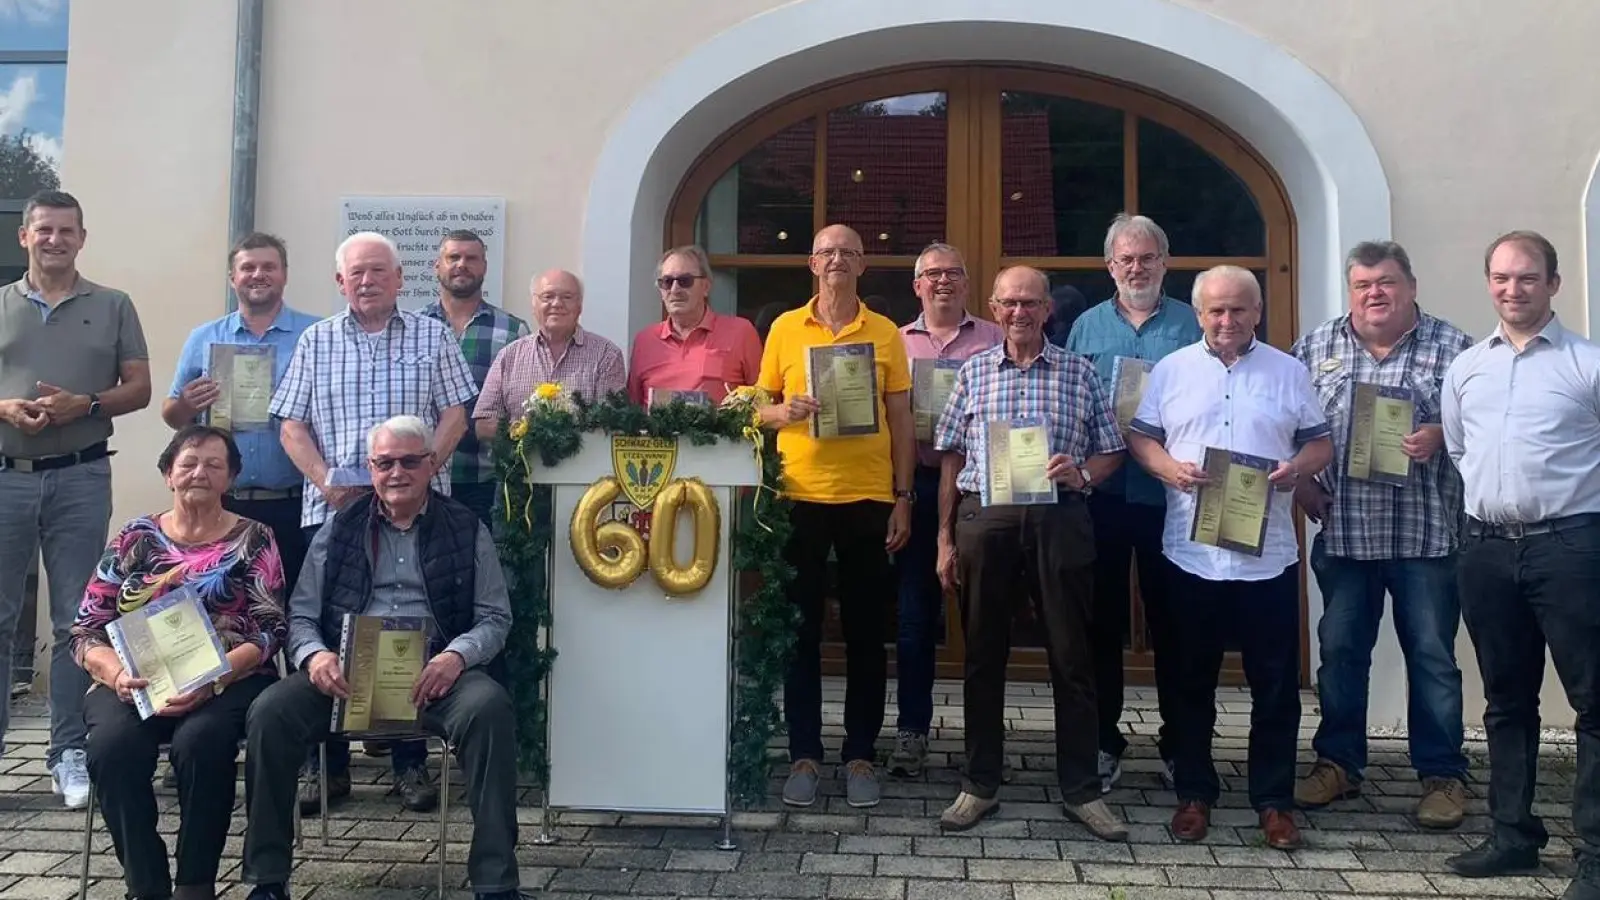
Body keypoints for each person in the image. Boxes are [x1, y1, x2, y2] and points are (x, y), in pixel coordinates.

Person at [241, 416, 521, 900]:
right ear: (369, 469)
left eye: (409, 461)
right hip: (347, 676)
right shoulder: (338, 528)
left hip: (437, 676)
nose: (397, 472)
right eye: (384, 463)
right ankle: (267, 880)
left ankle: (496, 883)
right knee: (270, 712)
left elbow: (495, 617)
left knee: (489, 709)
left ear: (431, 465)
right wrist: (315, 658)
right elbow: (301, 616)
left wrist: (455, 657)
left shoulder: (465, 527)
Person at [269, 230, 477, 814]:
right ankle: (326, 768)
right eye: (356, 273)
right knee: (329, 630)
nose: (367, 281)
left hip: (415, 510)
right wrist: (324, 480)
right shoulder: (315, 341)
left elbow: (458, 412)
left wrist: (425, 465)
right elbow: (290, 424)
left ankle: (409, 763)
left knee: (407, 620)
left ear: (399, 278)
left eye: (378, 271)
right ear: (340, 282)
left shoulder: (433, 336)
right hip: (333, 511)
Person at [1127, 265, 1332, 850]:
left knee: (1274, 686)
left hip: (1267, 557)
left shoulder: (1289, 372)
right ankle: (1194, 793)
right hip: (1190, 553)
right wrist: (1168, 467)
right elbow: (1142, 437)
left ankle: (1273, 802)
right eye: (1216, 310)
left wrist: (1300, 468)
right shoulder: (1172, 370)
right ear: (1198, 315)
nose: (1227, 320)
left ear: (1257, 311)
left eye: (1238, 309)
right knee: (1190, 681)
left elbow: (1320, 442)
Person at [931, 266, 1128, 840]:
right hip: (984, 521)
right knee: (982, 656)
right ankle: (979, 784)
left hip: (1058, 520)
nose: (1020, 312)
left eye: (1031, 303)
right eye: (1010, 303)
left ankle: (1081, 790)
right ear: (994, 308)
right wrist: (944, 539)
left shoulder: (1078, 372)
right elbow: (948, 458)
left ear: (1048, 311)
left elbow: (1112, 450)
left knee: (1072, 656)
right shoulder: (971, 372)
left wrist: (1082, 473)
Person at [1290, 240, 1474, 829]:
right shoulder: (1315, 347)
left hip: (1428, 534)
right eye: (1364, 283)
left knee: (1433, 658)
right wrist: (1301, 488)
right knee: (1341, 655)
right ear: (1351, 290)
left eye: (1387, 282)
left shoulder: (1456, 348)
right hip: (1344, 535)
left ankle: (1443, 776)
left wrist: (1441, 434)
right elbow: (1285, 428)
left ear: (1411, 286)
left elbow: (1489, 423)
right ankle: (1338, 764)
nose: (1376, 293)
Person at [1441, 231, 1600, 900]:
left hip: (1569, 547)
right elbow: (1457, 450)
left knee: (1594, 701)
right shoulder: (1467, 369)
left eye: (1528, 278)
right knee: (1506, 699)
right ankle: (1512, 834)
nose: (1513, 289)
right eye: (1502, 278)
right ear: (1489, 284)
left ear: (1553, 284)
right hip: (1484, 548)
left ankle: (1594, 853)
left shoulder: (1587, 366)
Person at [73, 425, 287, 900]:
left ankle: (195, 884)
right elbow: (87, 628)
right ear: (169, 474)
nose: (200, 473)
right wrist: (118, 675)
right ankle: (145, 885)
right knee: (111, 748)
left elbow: (272, 630)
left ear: (230, 478)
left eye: (214, 465)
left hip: (229, 679)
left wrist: (212, 679)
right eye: (188, 462)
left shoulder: (254, 538)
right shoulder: (134, 537)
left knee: (201, 742)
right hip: (135, 680)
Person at [0, 189, 151, 808]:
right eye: (44, 230)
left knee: (75, 620)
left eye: (67, 231)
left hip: (82, 475)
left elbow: (139, 388)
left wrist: (84, 404)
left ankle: (66, 753)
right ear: (24, 237)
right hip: (6, 474)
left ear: (82, 238)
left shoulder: (113, 304)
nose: (55, 240)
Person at [757, 224, 913, 809]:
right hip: (798, 495)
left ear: (863, 265)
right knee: (799, 634)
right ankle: (803, 752)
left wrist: (904, 496)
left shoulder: (886, 333)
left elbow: (900, 419)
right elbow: (758, 406)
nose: (838, 260)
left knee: (867, 636)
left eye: (849, 252)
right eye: (828, 252)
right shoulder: (782, 328)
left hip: (869, 497)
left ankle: (860, 755)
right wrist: (783, 409)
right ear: (811, 263)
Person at [1065, 213, 1201, 792]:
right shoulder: (1086, 329)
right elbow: (1069, 407)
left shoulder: (1195, 325)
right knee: (1099, 626)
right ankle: (1103, 741)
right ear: (1110, 266)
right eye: (1126, 259)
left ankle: (1180, 744)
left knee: (1177, 627)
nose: (1137, 268)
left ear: (1165, 262)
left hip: (1174, 496)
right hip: (1102, 497)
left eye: (1148, 258)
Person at [887, 241, 1001, 779]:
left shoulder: (994, 338)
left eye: (953, 273)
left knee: (982, 616)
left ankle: (986, 738)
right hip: (914, 483)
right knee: (914, 619)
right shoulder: (893, 342)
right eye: (932, 274)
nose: (943, 282)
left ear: (967, 283)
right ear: (917, 286)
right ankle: (912, 730)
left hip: (980, 487)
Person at [165, 232, 321, 587]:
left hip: (293, 504)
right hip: (222, 504)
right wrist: (187, 405)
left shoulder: (316, 334)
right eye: (247, 267)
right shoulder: (204, 337)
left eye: (269, 266)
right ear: (232, 277)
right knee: (223, 605)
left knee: (292, 610)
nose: (258, 274)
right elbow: (172, 415)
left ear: (285, 274)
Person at [418, 230, 529, 526]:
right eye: (453, 257)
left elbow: (521, 408)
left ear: (484, 267)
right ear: (437, 266)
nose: (461, 264)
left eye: (471, 258)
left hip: (486, 478)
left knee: (481, 567)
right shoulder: (412, 329)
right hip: (421, 478)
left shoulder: (512, 332)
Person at [472, 269, 626, 440]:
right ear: (534, 304)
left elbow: (613, 423)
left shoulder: (606, 355)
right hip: (520, 464)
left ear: (580, 306)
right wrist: (525, 432)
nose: (557, 303)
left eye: (567, 297)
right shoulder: (509, 356)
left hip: (584, 464)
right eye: (547, 297)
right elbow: (484, 423)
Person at [627, 245, 762, 405]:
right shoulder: (645, 340)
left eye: (685, 281)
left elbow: (764, 400)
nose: (675, 289)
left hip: (723, 430)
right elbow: (632, 408)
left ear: (706, 287)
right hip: (656, 430)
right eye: (667, 282)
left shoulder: (740, 332)